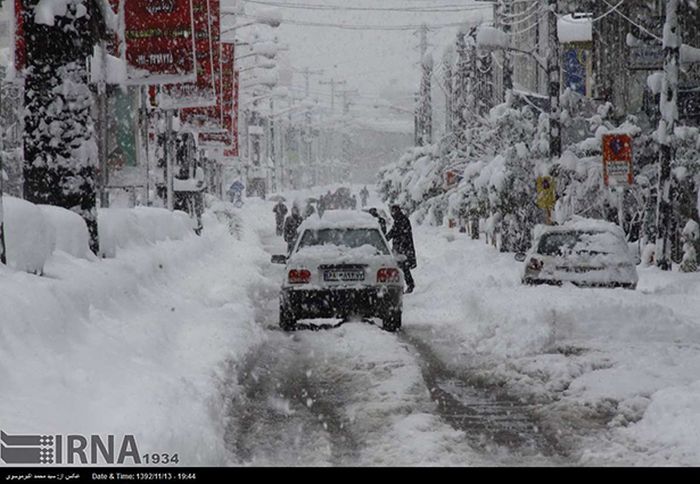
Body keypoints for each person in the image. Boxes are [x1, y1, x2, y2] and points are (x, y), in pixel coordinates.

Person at [386, 205, 416, 294]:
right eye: (392, 211)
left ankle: (408, 285)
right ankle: (404, 285)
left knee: (402, 267)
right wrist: (385, 238)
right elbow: (393, 232)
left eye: (394, 211)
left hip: (404, 248)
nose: (392, 213)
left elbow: (403, 234)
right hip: (399, 248)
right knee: (399, 267)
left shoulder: (403, 220)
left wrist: (401, 246)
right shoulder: (398, 220)